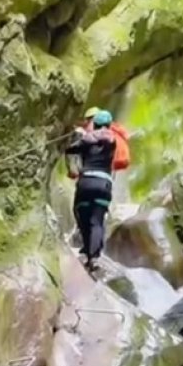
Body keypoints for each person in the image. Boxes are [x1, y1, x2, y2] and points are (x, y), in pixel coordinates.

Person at [65, 108, 130, 270]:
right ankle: (93, 258)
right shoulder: (112, 141)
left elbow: (70, 149)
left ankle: (87, 250)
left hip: (86, 183)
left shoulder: (86, 140)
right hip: (103, 184)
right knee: (97, 221)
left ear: (95, 124)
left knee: (82, 216)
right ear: (109, 124)